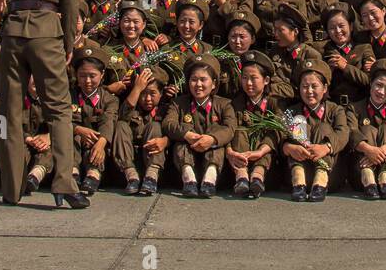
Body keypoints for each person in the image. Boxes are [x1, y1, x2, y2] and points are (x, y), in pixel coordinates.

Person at [0, 0, 87, 209]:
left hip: (14, 34)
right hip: (48, 35)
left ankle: (11, 187)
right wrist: (69, 44)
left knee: (9, 111)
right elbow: (71, 4)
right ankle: (64, 184)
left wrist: (0, 2)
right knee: (59, 110)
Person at [163, 53, 237, 197]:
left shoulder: (224, 104)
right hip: (185, 163)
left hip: (215, 166)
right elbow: (168, 123)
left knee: (217, 142)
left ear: (214, 83)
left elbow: (230, 128)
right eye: (194, 80)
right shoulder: (178, 103)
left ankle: (209, 181)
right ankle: (189, 181)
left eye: (203, 80)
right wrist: (187, 134)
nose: (198, 85)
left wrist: (212, 139)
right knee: (181, 142)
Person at [280, 56, 349, 202]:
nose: (309, 91)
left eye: (314, 86)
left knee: (323, 128)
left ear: (324, 88)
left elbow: (343, 133)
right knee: (299, 122)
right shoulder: (291, 112)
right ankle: (299, 184)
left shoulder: (336, 110)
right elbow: (280, 137)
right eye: (304, 87)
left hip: (329, 173)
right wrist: (289, 148)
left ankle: (320, 184)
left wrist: (326, 147)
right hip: (298, 171)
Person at [227, 51, 284, 197]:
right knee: (239, 132)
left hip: (267, 166)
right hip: (237, 162)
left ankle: (257, 178)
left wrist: (259, 152)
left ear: (266, 80)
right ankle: (242, 178)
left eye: (254, 78)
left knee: (266, 144)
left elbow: (276, 133)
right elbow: (227, 129)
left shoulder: (275, 104)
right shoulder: (235, 103)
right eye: (244, 78)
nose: (249, 83)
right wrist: (230, 152)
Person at [348, 58, 386, 199]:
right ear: (371, 83)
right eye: (378, 85)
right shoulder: (354, 108)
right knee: (367, 129)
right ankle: (368, 180)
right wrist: (369, 150)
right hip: (359, 170)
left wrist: (379, 152)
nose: (381, 92)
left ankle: (385, 181)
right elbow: (351, 131)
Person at [70, 46, 121, 195]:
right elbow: (62, 119)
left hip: (99, 143)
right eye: (82, 75)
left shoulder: (109, 99)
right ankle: (73, 173)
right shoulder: (68, 95)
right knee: (72, 137)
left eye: (92, 76)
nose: (87, 81)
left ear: (102, 75)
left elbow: (108, 120)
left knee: (101, 142)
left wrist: (101, 142)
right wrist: (77, 129)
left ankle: (93, 174)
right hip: (75, 145)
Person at [113, 66, 170, 195]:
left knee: (155, 126)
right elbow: (123, 115)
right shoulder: (132, 106)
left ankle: (151, 177)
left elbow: (174, 132)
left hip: (155, 163)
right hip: (130, 163)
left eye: (152, 93)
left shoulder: (166, 110)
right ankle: (131, 177)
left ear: (161, 94)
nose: (148, 99)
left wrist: (166, 141)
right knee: (121, 125)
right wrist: (137, 88)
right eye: (143, 93)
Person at [316, 3, 374, 107]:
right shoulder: (323, 52)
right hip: (332, 106)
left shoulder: (364, 48)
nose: (338, 31)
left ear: (351, 26)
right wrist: (328, 71)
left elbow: (369, 81)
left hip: (359, 106)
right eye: (332, 28)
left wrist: (345, 67)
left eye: (341, 26)